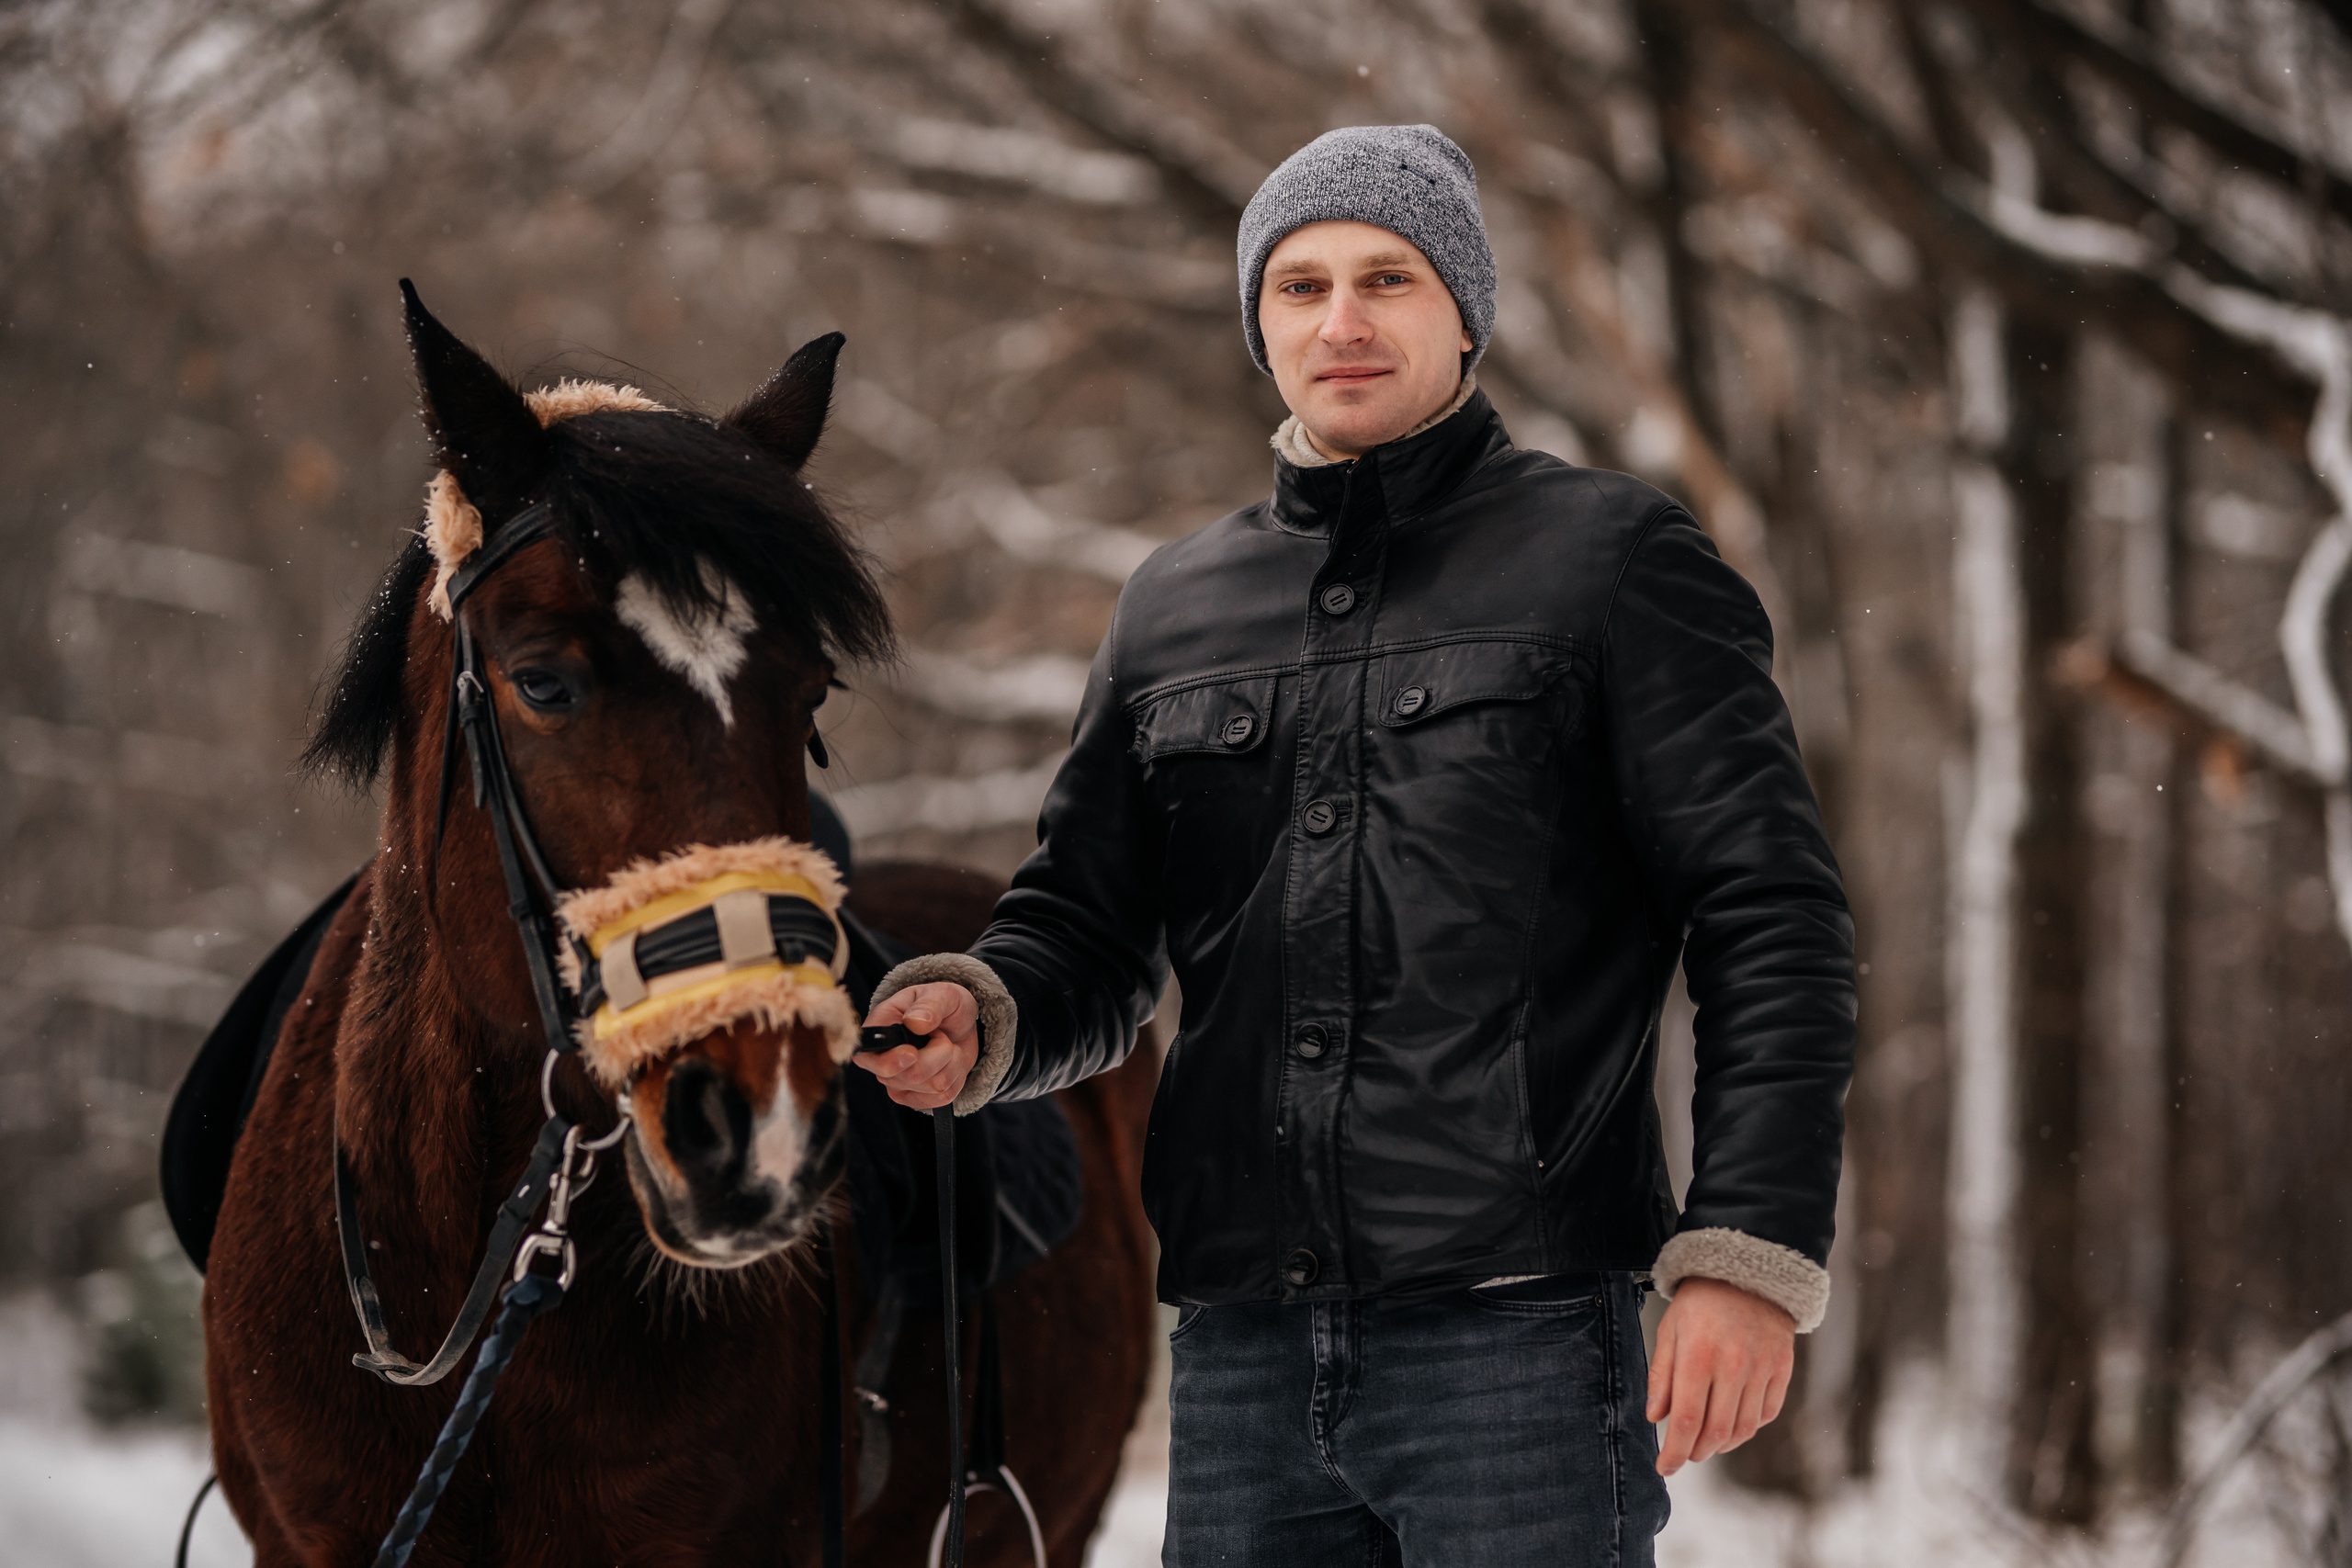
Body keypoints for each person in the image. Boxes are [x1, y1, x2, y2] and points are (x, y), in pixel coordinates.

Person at [854, 124, 1854, 1566]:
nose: (1342, 321)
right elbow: (1088, 920)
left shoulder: (1617, 562)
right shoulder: (1173, 608)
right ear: (1258, 323)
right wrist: (989, 1008)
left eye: (1388, 278)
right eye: (1300, 284)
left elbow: (1772, 921)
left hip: (1517, 1339)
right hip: (1242, 1347)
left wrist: (1747, 1258)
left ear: (1465, 310)